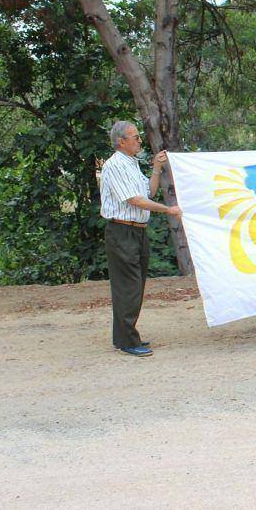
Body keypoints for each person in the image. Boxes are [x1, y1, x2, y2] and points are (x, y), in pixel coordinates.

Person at [100, 121, 181, 356]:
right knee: (128, 286)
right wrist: (167, 210)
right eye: (135, 137)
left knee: (136, 284)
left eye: (138, 136)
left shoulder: (131, 164)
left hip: (137, 230)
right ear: (120, 142)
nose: (139, 140)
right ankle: (126, 340)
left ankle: (127, 334)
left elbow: (148, 192)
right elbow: (134, 200)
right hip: (122, 230)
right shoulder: (115, 166)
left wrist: (156, 168)